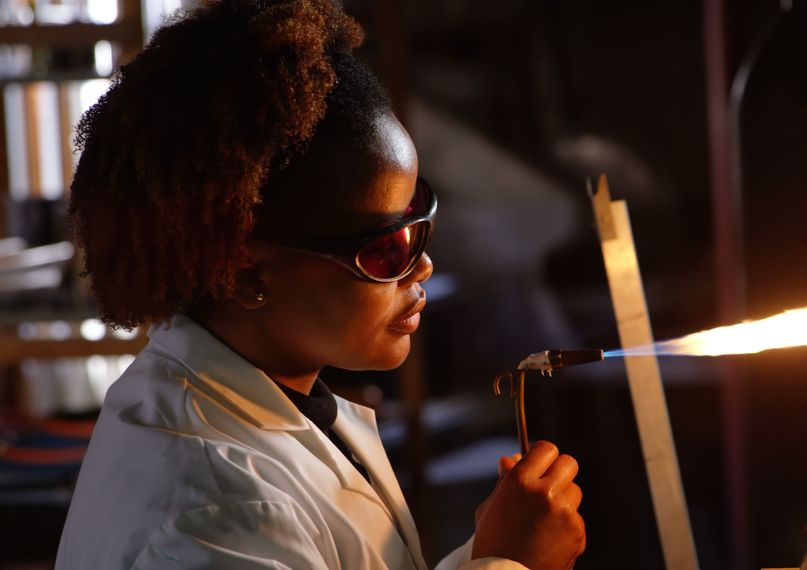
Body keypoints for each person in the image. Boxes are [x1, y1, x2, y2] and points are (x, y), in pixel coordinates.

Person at [54, 0, 586, 568]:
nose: (422, 265)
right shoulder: (217, 511)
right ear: (247, 271)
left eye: (419, 219)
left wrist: (491, 552)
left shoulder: (273, 399)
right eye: (385, 247)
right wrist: (511, 564)